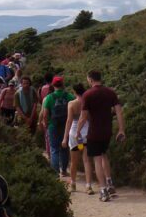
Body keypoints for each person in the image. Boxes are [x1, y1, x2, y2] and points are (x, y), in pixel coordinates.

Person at [78, 70, 126, 202]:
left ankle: (103, 190)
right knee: (104, 155)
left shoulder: (87, 95)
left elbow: (83, 117)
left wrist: (77, 132)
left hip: (94, 132)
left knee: (97, 159)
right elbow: (119, 112)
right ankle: (110, 183)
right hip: (107, 131)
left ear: (90, 79)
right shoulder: (110, 92)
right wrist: (121, 129)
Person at [62, 83, 95, 194]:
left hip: (74, 135)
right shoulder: (88, 102)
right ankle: (88, 185)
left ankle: (73, 183)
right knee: (87, 160)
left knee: (74, 161)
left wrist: (65, 138)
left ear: (74, 92)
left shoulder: (71, 103)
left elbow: (69, 121)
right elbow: (90, 118)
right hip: (86, 133)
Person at [39, 77, 72, 176]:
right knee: (65, 148)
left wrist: (46, 124)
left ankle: (55, 172)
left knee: (54, 149)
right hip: (66, 126)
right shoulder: (69, 96)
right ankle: (64, 171)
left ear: (53, 85)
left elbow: (45, 114)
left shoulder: (49, 97)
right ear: (62, 84)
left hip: (53, 126)